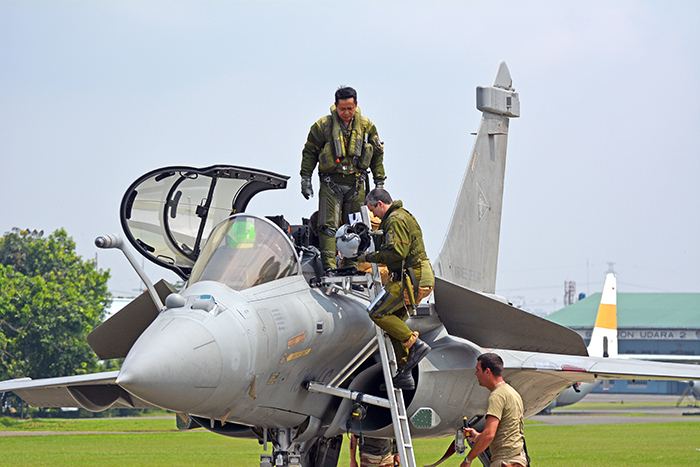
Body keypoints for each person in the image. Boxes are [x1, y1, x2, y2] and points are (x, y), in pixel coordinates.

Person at [301, 86, 386, 274]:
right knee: (327, 226)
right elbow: (309, 152)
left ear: (356, 105)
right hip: (331, 184)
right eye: (342, 109)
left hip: (356, 186)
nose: (346, 113)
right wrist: (305, 178)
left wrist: (379, 182)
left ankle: (351, 265)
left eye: (350, 108)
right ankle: (330, 266)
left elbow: (377, 154)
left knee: (357, 227)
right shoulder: (322, 127)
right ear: (335, 106)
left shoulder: (366, 127)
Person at [358, 188, 434, 390]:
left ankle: (416, 344)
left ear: (380, 203)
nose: (374, 215)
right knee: (394, 325)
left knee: (377, 312)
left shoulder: (395, 219)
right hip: (417, 277)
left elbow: (396, 253)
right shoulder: (403, 215)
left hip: (411, 278)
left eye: (373, 210)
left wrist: (367, 258)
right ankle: (404, 373)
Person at [461, 353, 527, 467]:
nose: (476, 374)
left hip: (505, 460)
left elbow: (488, 435)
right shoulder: (512, 392)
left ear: (487, 371)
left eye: (478, 370)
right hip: (517, 459)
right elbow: (505, 431)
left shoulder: (497, 395)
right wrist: (477, 436)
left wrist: (468, 459)